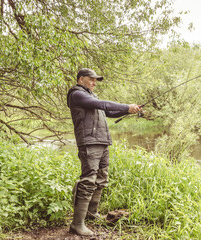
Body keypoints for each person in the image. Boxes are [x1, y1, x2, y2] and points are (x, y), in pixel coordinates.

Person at [66, 68, 141, 236]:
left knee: (101, 178)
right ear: (81, 79)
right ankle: (77, 224)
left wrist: (129, 110)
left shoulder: (92, 97)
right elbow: (103, 104)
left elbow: (109, 111)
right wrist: (126, 106)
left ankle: (91, 214)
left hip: (101, 141)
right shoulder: (77, 94)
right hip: (89, 142)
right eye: (91, 80)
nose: (94, 83)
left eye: (96, 80)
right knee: (88, 180)